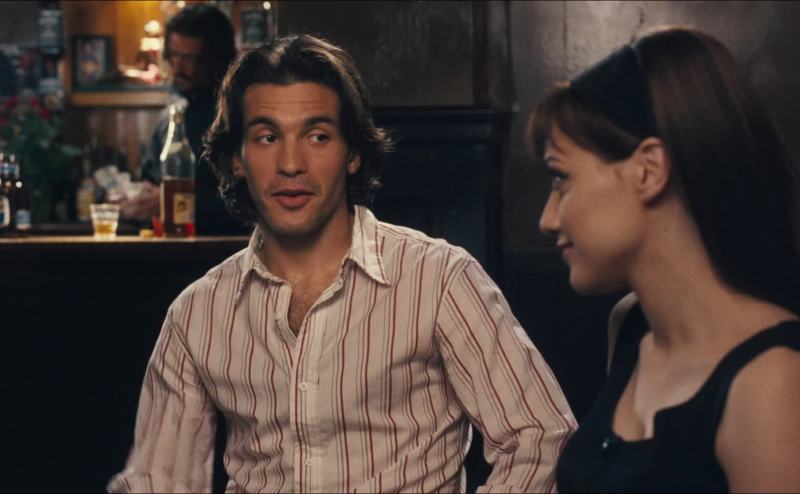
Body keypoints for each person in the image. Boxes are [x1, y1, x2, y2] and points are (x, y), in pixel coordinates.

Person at [108, 34, 576, 493]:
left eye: (317, 136)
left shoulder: (438, 279)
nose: (291, 163)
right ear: (236, 159)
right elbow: (158, 479)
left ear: (352, 154)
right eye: (267, 137)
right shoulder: (198, 312)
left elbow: (540, 436)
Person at [528, 26, 800, 492]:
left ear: (649, 170)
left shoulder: (772, 378)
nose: (547, 220)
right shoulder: (630, 327)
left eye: (561, 179)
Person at [119, 4, 248, 235]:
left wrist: (171, 202)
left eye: (190, 58)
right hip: (171, 244)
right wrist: (138, 195)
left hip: (222, 248)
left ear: (217, 59)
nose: (178, 67)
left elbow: (249, 203)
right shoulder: (174, 108)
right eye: (174, 55)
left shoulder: (238, 115)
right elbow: (152, 177)